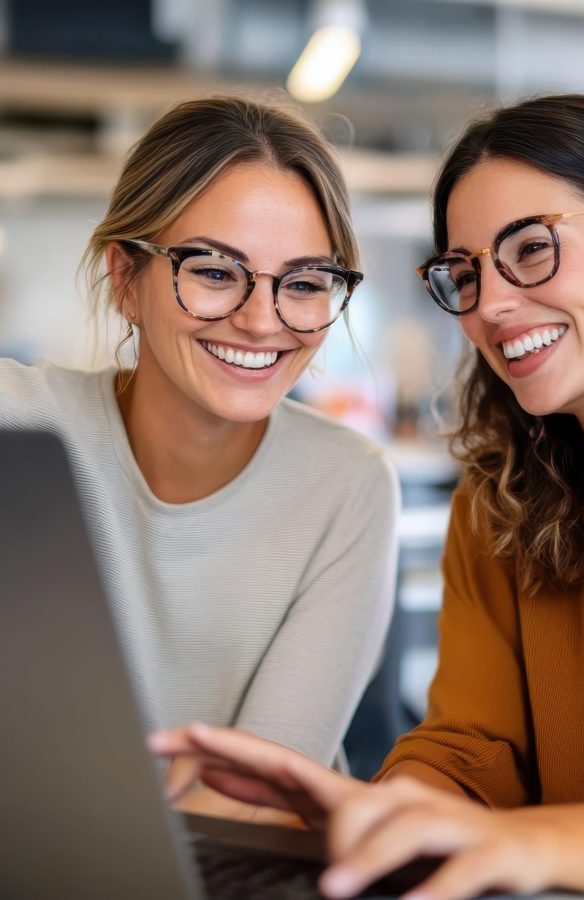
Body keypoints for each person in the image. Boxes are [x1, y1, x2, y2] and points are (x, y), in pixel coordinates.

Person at [150, 93, 584, 897]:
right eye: (465, 272)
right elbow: (467, 751)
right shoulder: (502, 499)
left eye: (531, 249)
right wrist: (386, 819)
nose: (490, 305)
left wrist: (523, 844)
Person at [0, 96, 399, 819]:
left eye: (304, 283)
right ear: (126, 278)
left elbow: (259, 792)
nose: (260, 319)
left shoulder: (348, 486)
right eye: (215, 271)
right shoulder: (16, 421)